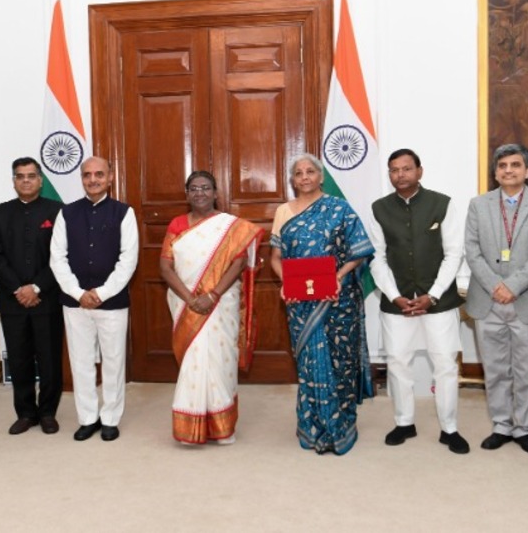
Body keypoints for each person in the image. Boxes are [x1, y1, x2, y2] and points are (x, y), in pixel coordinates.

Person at [269, 153, 374, 455]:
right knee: (308, 362)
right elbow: (276, 258)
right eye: (299, 172)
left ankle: (340, 429)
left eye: (310, 171)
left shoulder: (339, 208)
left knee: (340, 360)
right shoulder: (283, 212)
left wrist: (338, 277)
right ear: (293, 179)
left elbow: (360, 250)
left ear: (321, 176)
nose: (304, 177)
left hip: (337, 298)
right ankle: (312, 426)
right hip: (299, 301)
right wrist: (286, 282)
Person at [370, 148, 470, 454]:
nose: (400, 175)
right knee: (398, 363)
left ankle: (449, 428)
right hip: (397, 303)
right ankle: (404, 422)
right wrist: (395, 296)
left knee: (444, 364)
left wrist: (434, 294)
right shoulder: (379, 208)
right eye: (394, 170)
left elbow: (454, 252)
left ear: (419, 171)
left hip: (438, 301)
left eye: (406, 169)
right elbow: (377, 257)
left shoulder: (442, 203)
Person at [464, 144, 528, 454]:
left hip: (527, 298)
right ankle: (501, 425)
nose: (508, 170)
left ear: (527, 171)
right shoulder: (479, 204)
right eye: (502, 165)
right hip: (488, 299)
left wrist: (513, 286)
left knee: (527, 369)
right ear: (495, 172)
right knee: (495, 368)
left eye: (515, 165)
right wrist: (495, 285)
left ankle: (523, 427)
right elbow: (472, 250)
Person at [160, 171, 262, 445]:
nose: (200, 193)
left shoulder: (230, 227)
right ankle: (190, 427)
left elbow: (239, 263)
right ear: (187, 193)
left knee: (218, 359)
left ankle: (221, 425)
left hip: (221, 302)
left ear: (216, 193)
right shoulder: (177, 224)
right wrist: (191, 298)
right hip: (185, 303)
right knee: (194, 358)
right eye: (194, 188)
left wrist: (213, 295)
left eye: (206, 188)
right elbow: (165, 266)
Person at [49, 156, 138, 442]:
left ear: (110, 177)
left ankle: (110, 418)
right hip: (74, 303)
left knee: (113, 361)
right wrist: (78, 293)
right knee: (81, 361)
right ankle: (87, 418)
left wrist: (100, 293)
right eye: (87, 174)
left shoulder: (125, 213)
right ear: (82, 178)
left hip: (111, 302)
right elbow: (57, 259)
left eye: (99, 174)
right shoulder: (67, 213)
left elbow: (128, 261)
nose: (93, 179)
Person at [0, 157, 64, 435]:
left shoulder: (58, 211)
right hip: (13, 300)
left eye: (31, 176)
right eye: (20, 176)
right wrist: (19, 289)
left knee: (49, 360)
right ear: (14, 181)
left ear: (40, 180)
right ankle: (25, 413)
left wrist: (37, 288)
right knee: (19, 360)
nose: (26, 181)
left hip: (47, 299)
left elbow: (60, 257)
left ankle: (47, 412)